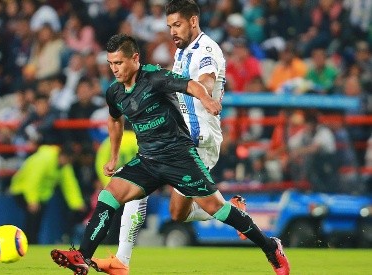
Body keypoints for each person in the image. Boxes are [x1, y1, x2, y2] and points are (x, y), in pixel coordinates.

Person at [50, 34, 290, 275]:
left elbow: (191, 85)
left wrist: (206, 99)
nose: (114, 69)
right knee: (109, 196)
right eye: (111, 64)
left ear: (135, 58)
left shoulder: (155, 77)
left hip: (179, 157)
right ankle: (83, 256)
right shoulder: (114, 92)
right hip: (148, 160)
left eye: (119, 63)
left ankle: (271, 247)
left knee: (216, 208)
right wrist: (113, 157)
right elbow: (114, 120)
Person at [93, 1, 245, 273]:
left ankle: (121, 260)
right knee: (175, 211)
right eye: (169, 26)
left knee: (153, 198)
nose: (172, 31)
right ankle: (121, 261)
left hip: (199, 138)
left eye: (177, 25)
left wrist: (204, 92)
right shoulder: (181, 51)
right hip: (175, 137)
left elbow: (207, 79)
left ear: (193, 21)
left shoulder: (206, 49)